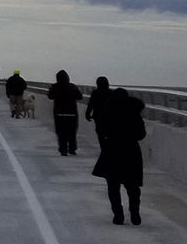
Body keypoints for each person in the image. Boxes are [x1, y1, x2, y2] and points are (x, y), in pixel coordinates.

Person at [93, 88, 145, 224]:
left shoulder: (108, 111)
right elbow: (141, 134)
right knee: (133, 186)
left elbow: (100, 130)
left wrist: (106, 141)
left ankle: (118, 215)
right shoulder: (134, 113)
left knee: (113, 185)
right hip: (131, 151)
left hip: (112, 150)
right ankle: (135, 212)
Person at [46, 69, 83, 156]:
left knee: (61, 132)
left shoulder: (55, 86)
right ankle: (72, 149)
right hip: (72, 113)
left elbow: (50, 96)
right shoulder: (72, 86)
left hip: (59, 113)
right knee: (72, 132)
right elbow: (80, 97)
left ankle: (63, 150)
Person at [85, 76, 114, 153]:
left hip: (98, 117)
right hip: (110, 118)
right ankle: (109, 149)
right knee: (109, 133)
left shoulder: (95, 93)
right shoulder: (111, 93)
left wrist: (87, 114)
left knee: (100, 134)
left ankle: (104, 149)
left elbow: (91, 104)